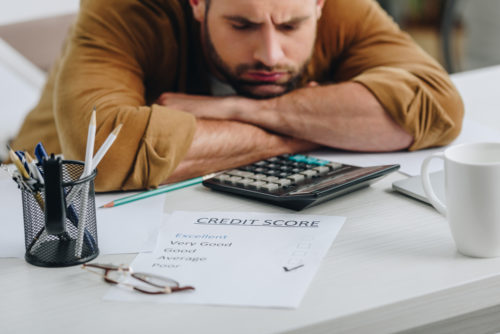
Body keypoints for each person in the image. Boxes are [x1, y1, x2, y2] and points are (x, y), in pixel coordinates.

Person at [10, 0, 464, 192]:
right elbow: (103, 154)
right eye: (241, 25)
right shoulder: (123, 9)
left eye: (290, 26)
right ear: (197, 4)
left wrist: (244, 109)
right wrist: (321, 124)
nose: (270, 53)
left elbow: (437, 108)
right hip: (43, 206)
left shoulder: (343, 9)